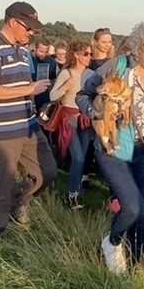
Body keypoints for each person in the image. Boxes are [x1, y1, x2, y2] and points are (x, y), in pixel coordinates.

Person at [76, 20, 144, 272]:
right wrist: (97, 113)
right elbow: (83, 95)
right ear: (139, 46)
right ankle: (111, 243)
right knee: (131, 207)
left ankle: (135, 266)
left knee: (141, 211)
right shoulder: (117, 66)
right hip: (114, 147)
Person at [0, 2, 57, 238]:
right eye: (28, 27)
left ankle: (14, 203)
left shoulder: (21, 50)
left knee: (47, 172)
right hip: (1, 130)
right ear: (13, 22)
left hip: (28, 125)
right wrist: (29, 89)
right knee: (2, 183)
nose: (31, 32)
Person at [48, 41, 95, 210]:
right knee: (78, 157)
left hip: (85, 119)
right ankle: (72, 195)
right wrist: (65, 87)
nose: (89, 57)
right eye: (86, 53)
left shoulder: (92, 74)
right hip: (69, 118)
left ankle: (75, 191)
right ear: (76, 55)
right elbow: (52, 96)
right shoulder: (66, 73)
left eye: (90, 53)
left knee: (82, 158)